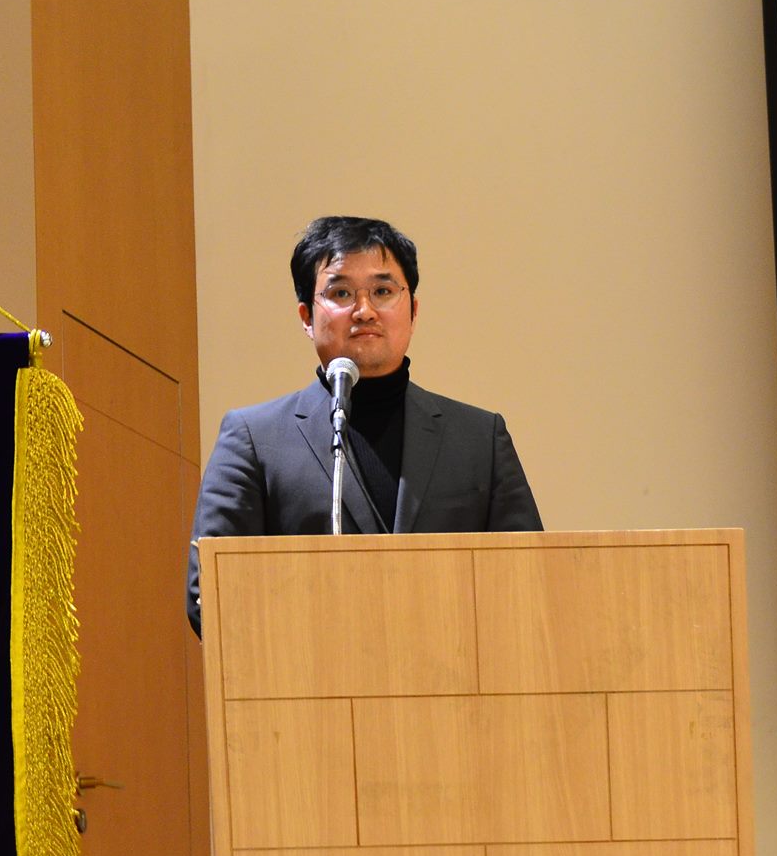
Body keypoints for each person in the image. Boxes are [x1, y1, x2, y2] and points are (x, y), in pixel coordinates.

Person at [186, 216, 541, 634]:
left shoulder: (479, 439)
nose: (365, 311)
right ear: (306, 316)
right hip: (307, 670)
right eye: (340, 293)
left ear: (413, 310)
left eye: (383, 291)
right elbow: (211, 597)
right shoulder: (254, 438)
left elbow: (528, 583)